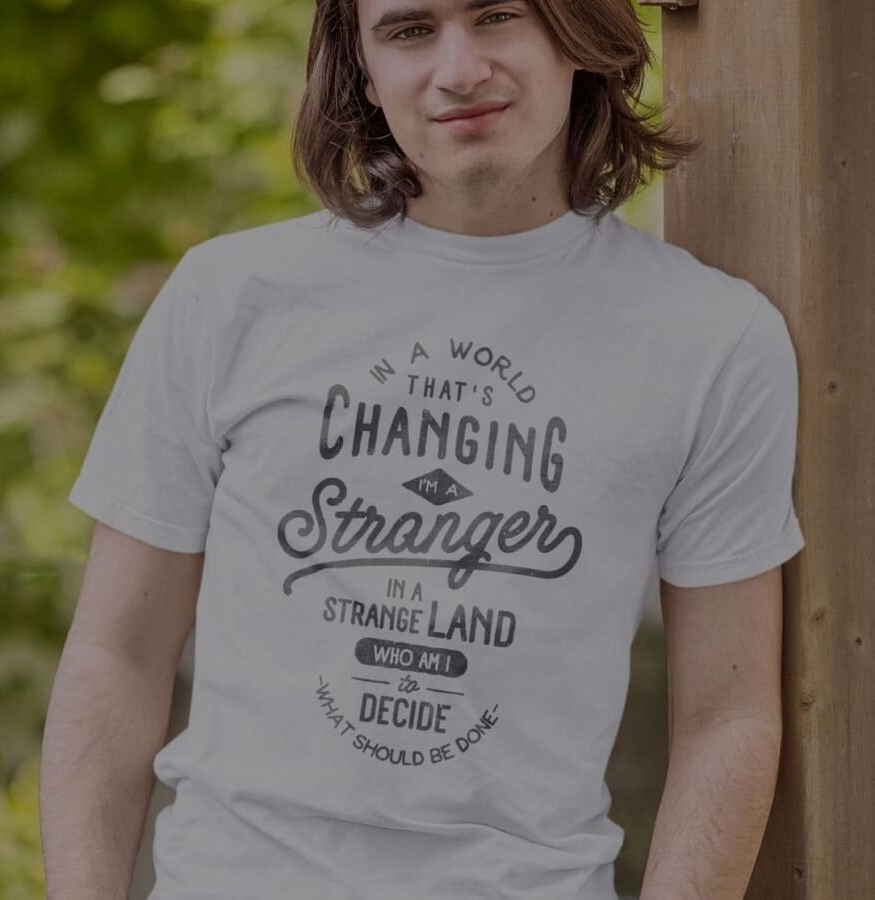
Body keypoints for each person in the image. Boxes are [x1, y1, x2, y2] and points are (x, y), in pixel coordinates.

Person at [39, 0, 806, 897]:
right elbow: (116, 657)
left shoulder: (712, 340)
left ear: (576, 34)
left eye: (496, 17)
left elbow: (727, 717)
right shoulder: (231, 297)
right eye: (409, 30)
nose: (458, 69)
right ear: (362, 68)